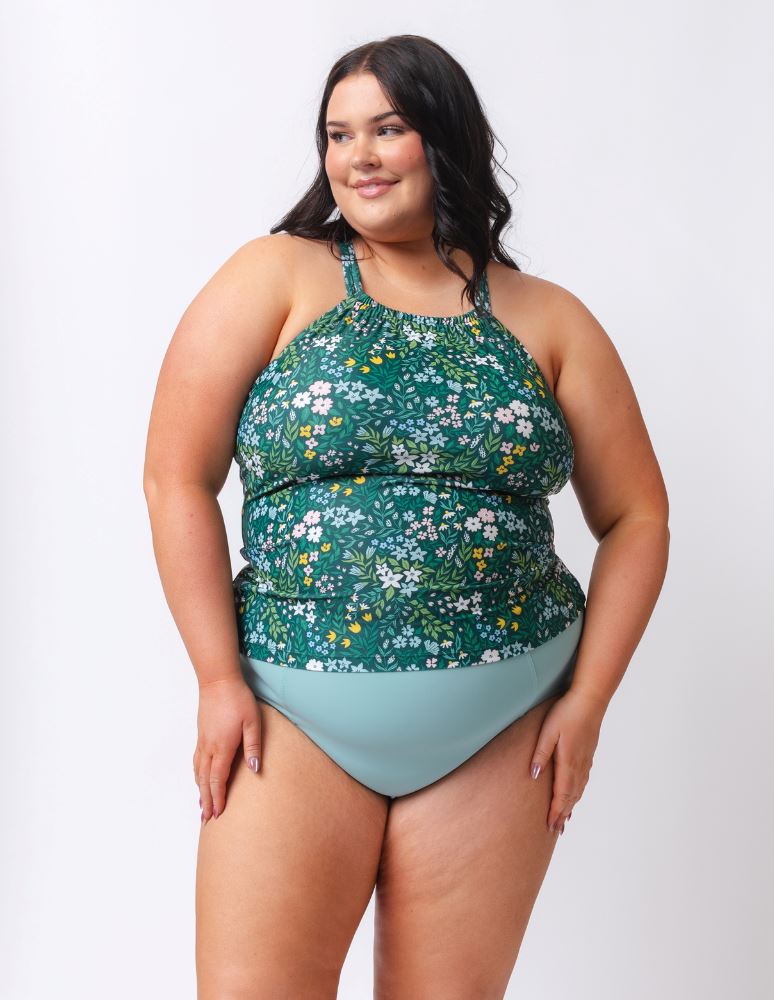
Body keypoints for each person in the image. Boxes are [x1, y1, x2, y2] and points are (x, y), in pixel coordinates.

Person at [144, 33, 670, 1000]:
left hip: (503, 726)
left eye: (387, 128)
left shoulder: (547, 318)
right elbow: (176, 476)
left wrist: (588, 702)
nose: (359, 156)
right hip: (290, 711)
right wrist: (217, 678)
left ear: (446, 136)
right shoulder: (277, 276)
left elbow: (638, 516)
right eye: (338, 134)